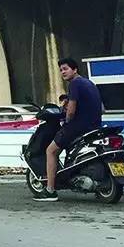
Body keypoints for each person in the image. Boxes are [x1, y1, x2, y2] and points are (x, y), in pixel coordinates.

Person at [38, 57, 103, 202]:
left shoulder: (75, 84)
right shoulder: (89, 83)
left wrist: (65, 122)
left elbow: (71, 111)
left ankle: (50, 190)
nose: (63, 72)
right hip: (94, 127)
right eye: (61, 70)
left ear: (75, 69)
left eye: (65, 69)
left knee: (51, 150)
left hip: (78, 127)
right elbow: (102, 109)